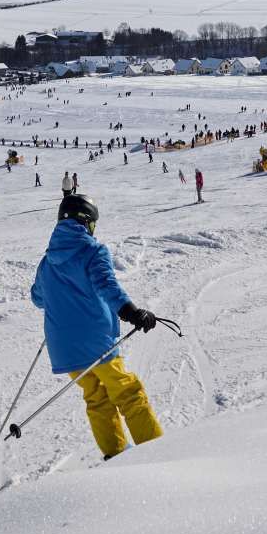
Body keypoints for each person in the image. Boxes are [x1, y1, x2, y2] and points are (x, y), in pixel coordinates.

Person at [30, 194, 168, 460]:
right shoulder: (93, 251)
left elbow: (38, 298)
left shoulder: (47, 262)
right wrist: (132, 313)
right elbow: (106, 285)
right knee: (128, 392)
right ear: (86, 222)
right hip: (95, 344)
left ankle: (115, 453)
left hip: (64, 350)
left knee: (96, 397)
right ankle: (156, 452)